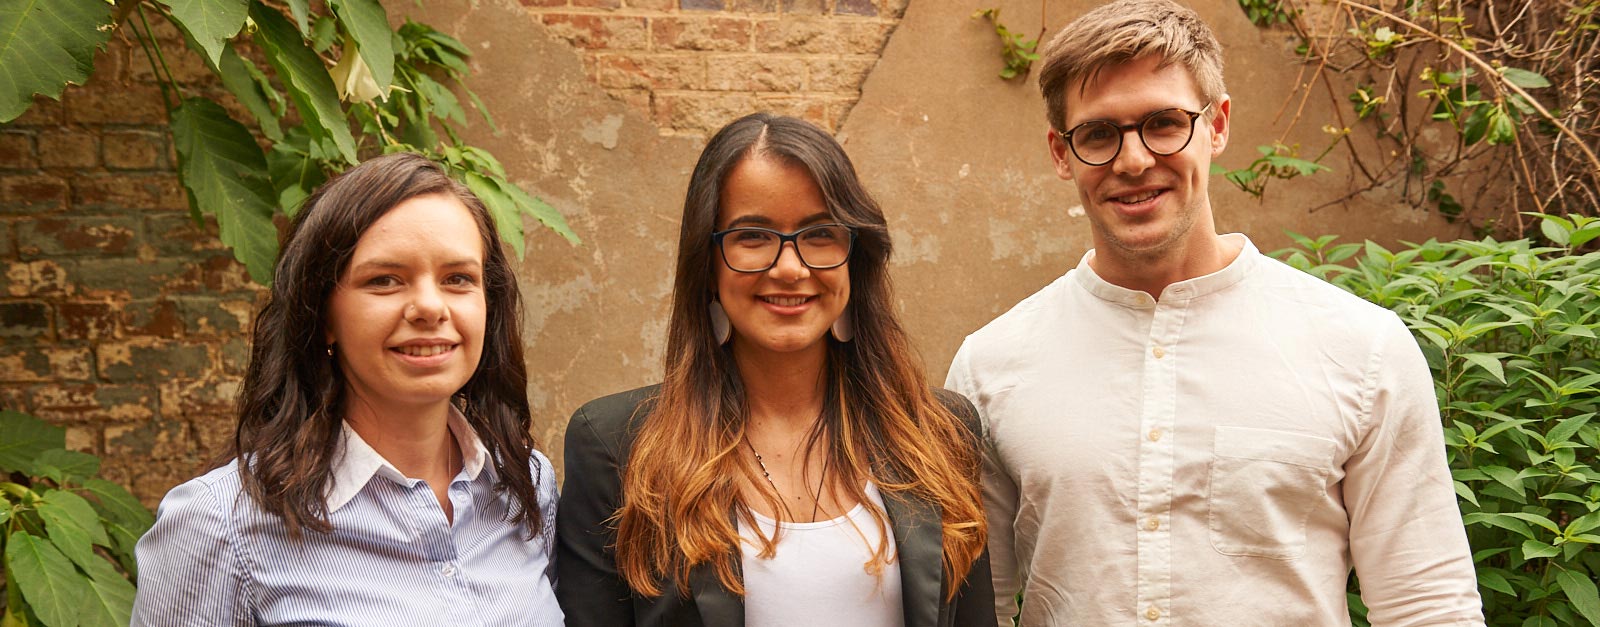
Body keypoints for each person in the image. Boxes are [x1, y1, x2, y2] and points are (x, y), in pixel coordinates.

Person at [944, 2, 1485, 625]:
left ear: (1217, 125)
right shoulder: (991, 367)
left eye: (1164, 123)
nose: (1133, 161)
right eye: (1097, 134)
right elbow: (972, 612)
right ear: (1061, 153)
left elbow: (1428, 605)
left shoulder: (1361, 349)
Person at [557, 113, 996, 626]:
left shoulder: (939, 433)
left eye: (820, 233)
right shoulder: (616, 446)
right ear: (708, 262)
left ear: (854, 258)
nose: (790, 268)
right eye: (753, 236)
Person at [131, 153, 563, 626]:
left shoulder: (525, 484)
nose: (429, 307)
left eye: (458, 279)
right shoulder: (219, 524)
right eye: (385, 280)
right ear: (322, 315)